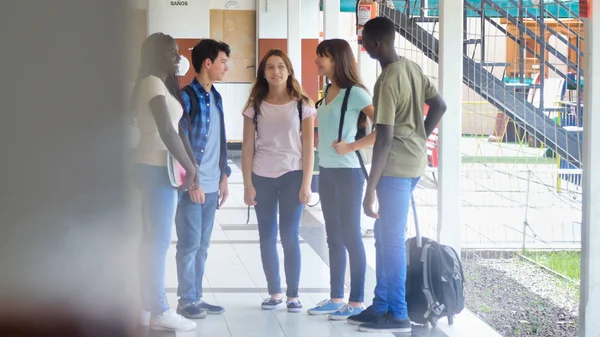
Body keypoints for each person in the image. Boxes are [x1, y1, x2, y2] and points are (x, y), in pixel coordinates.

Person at [349, 17, 447, 333]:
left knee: (390, 242)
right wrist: (420, 138)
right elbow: (439, 106)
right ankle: (381, 305)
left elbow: (385, 137)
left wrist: (370, 189)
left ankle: (399, 314)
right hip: (411, 165)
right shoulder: (412, 68)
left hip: (394, 171)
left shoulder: (388, 80)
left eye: (364, 41)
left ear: (377, 44)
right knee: (383, 239)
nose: (363, 46)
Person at [131, 32, 199, 332]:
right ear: (157, 54)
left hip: (159, 166)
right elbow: (167, 131)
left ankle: (146, 304)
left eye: (178, 51)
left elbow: (176, 129)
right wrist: (191, 169)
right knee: (157, 243)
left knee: (151, 242)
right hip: (156, 167)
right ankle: (159, 309)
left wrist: (190, 164)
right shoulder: (151, 83)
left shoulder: (160, 83)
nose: (178, 56)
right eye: (172, 52)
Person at [241, 49, 315, 313]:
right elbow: (247, 147)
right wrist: (248, 184)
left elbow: (308, 148)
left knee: (289, 235)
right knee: (267, 236)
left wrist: (306, 183)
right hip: (262, 176)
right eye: (270, 67)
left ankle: (293, 295)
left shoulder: (302, 104)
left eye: (280, 66)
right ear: (263, 73)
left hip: (293, 175)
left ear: (289, 70)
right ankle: (275, 292)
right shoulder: (254, 107)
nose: (276, 71)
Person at [307, 39, 375, 320]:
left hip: (348, 171)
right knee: (333, 236)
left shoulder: (355, 93)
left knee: (350, 235)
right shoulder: (327, 91)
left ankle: (356, 301)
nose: (317, 61)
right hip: (328, 170)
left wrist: (351, 146)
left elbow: (383, 128)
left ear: (338, 59)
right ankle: (336, 297)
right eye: (317, 56)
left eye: (322, 57)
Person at [175, 39, 232, 319]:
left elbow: (219, 140)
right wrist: (192, 182)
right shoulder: (186, 97)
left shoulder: (217, 96)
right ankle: (186, 300)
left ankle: (196, 296)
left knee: (203, 246)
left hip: (212, 184)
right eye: (223, 61)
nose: (227, 66)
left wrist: (224, 175)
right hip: (193, 186)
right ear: (207, 63)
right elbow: (179, 142)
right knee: (189, 244)